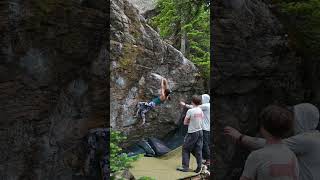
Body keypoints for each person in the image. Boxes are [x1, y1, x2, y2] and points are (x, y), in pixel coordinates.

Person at [225, 103, 320, 180]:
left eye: (293, 116)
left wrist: (240, 137)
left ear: (301, 118)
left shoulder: (306, 140)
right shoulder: (313, 138)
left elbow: (272, 145)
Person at [180, 94, 210, 165]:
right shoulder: (205, 107)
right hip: (202, 129)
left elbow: (194, 107)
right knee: (200, 146)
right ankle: (201, 162)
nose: (201, 100)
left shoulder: (205, 106)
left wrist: (184, 105)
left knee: (204, 145)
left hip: (203, 129)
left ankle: (208, 159)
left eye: (202, 98)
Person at [177, 95, 204, 173]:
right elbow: (201, 119)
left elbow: (185, 122)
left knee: (185, 149)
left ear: (192, 102)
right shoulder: (200, 110)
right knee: (198, 150)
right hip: (200, 131)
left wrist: (191, 121)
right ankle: (199, 167)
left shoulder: (190, 111)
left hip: (192, 132)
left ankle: (185, 167)